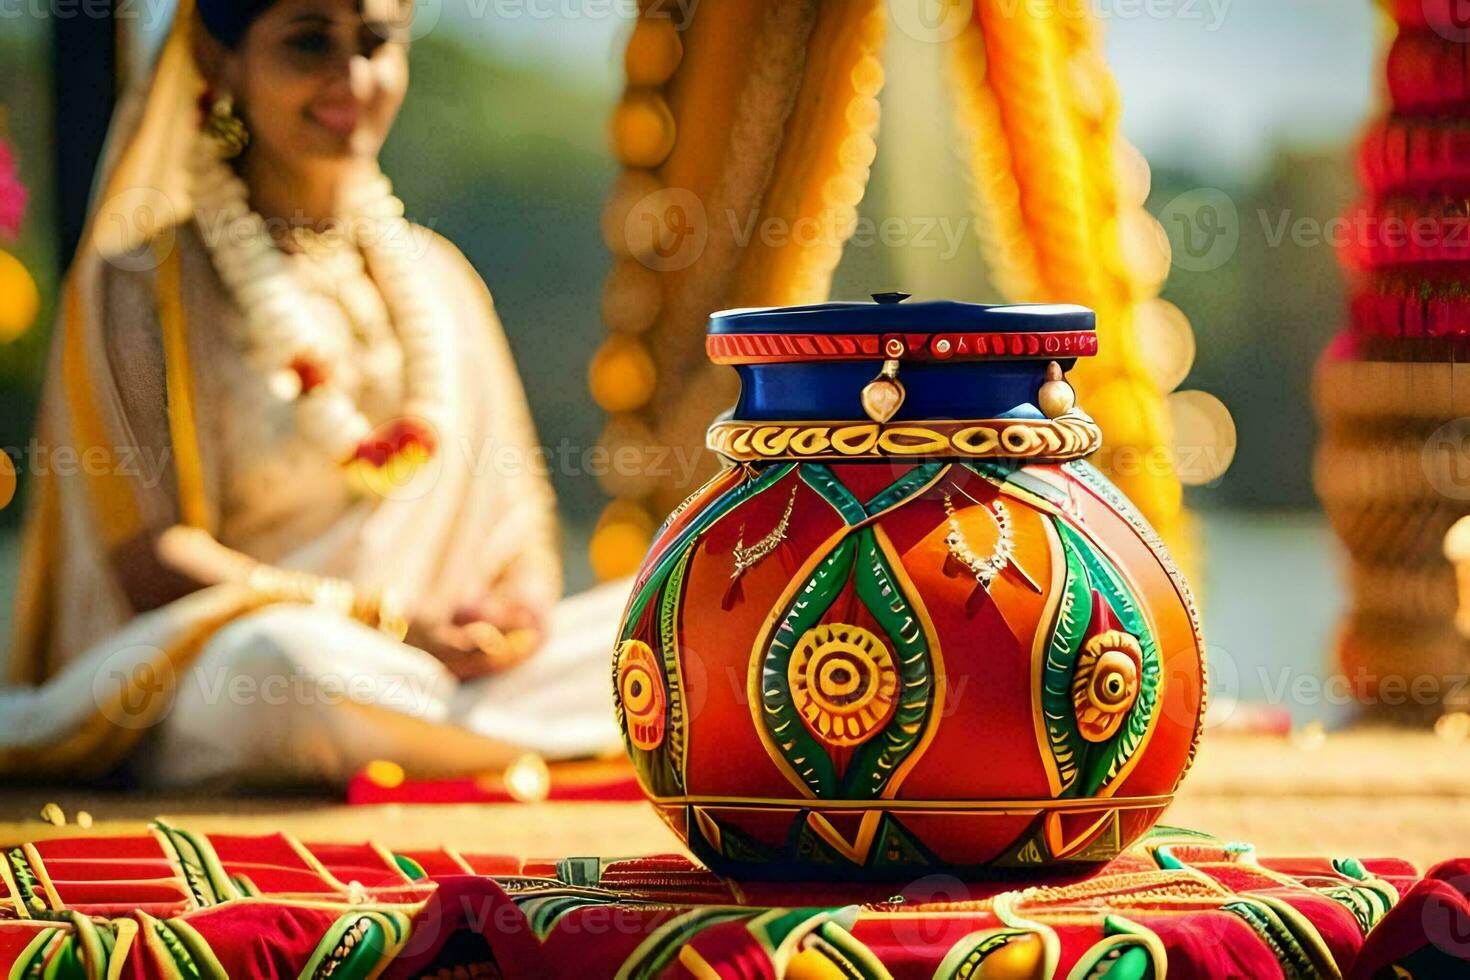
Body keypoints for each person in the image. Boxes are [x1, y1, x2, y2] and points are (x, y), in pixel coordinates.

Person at [0, 0, 623, 786]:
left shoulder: (440, 279)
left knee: (651, 623)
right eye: (307, 42)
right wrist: (391, 625)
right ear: (221, 63)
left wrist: (518, 615)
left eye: (376, 42)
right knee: (286, 667)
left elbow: (521, 519)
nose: (352, 76)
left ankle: (470, 734)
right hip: (235, 668)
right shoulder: (141, 281)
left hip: (439, 668)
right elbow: (154, 564)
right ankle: (550, 740)